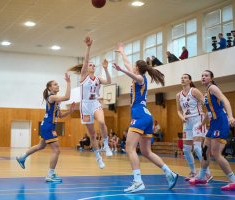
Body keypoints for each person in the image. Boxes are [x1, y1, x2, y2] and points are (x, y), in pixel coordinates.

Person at [113, 42, 178, 193]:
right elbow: (128, 63)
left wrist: (121, 69)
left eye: (134, 66)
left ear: (137, 68)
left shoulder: (141, 79)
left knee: (129, 148)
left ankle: (138, 181)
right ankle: (170, 173)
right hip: (147, 115)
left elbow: (130, 71)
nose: (132, 67)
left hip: (140, 115)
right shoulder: (138, 76)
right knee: (146, 152)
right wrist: (122, 52)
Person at [16, 73, 76, 182]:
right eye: (55, 84)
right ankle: (50, 175)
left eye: (58, 84)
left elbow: (60, 115)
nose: (57, 86)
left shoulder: (56, 101)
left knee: (40, 146)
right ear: (49, 88)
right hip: (48, 126)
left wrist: (69, 111)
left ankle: (22, 157)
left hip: (47, 125)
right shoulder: (52, 97)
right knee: (56, 150)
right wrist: (68, 82)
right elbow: (67, 97)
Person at [189, 70, 235, 191]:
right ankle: (201, 177)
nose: (203, 77)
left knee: (216, 154)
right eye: (202, 75)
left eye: (206, 76)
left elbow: (225, 101)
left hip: (220, 122)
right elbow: (209, 113)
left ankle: (233, 181)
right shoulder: (206, 93)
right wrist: (202, 124)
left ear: (211, 78)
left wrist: (230, 116)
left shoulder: (213, 88)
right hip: (213, 124)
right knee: (205, 151)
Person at [78, 36, 112, 169]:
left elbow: (109, 81)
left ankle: (106, 145)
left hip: (95, 103)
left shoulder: (98, 78)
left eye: (93, 65)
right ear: (86, 68)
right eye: (90, 65)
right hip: (85, 106)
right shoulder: (83, 76)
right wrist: (88, 47)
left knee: (102, 122)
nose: (91, 66)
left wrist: (106, 68)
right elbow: (86, 60)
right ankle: (98, 158)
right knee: (92, 134)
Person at [176, 74, 212, 181]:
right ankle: (193, 172)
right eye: (181, 77)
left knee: (197, 147)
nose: (183, 79)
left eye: (185, 77)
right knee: (186, 149)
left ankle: (207, 173)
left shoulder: (194, 91)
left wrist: (207, 117)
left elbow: (205, 104)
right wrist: (182, 117)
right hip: (187, 122)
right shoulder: (178, 95)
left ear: (190, 80)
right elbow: (178, 110)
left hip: (198, 119)